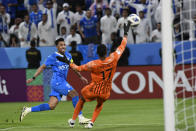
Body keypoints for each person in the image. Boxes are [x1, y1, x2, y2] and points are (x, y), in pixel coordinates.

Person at [56, 21, 131, 128]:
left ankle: (72, 121)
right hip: (105, 91)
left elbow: (78, 68)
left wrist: (67, 61)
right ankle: (91, 123)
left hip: (93, 89)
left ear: (97, 53)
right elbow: (122, 46)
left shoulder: (93, 64)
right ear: (107, 52)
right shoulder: (113, 58)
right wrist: (126, 33)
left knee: (81, 100)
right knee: (99, 104)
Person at [20, 38, 90, 124]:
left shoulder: (68, 55)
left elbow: (73, 67)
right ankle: (80, 117)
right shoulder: (52, 57)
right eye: (61, 45)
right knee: (74, 94)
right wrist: (33, 78)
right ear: (57, 47)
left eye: (64, 44)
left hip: (60, 82)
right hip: (58, 81)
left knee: (51, 105)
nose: (63, 46)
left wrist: (81, 77)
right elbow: (42, 67)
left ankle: (27, 109)